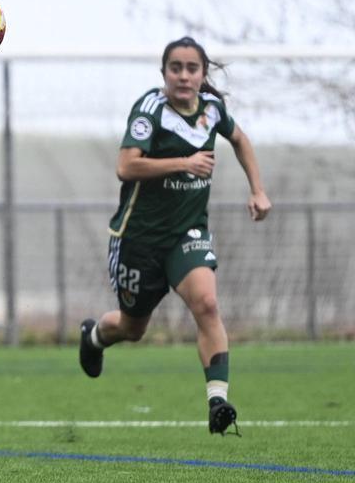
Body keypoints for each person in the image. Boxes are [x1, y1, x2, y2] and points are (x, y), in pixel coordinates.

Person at [77, 36, 271, 436]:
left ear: (203, 73)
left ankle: (218, 402)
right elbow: (126, 167)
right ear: (164, 73)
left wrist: (258, 189)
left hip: (188, 233)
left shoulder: (212, 109)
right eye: (175, 68)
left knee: (207, 303)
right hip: (139, 238)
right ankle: (94, 336)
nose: (183, 76)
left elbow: (240, 139)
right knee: (133, 329)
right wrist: (184, 162)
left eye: (192, 68)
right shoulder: (150, 110)